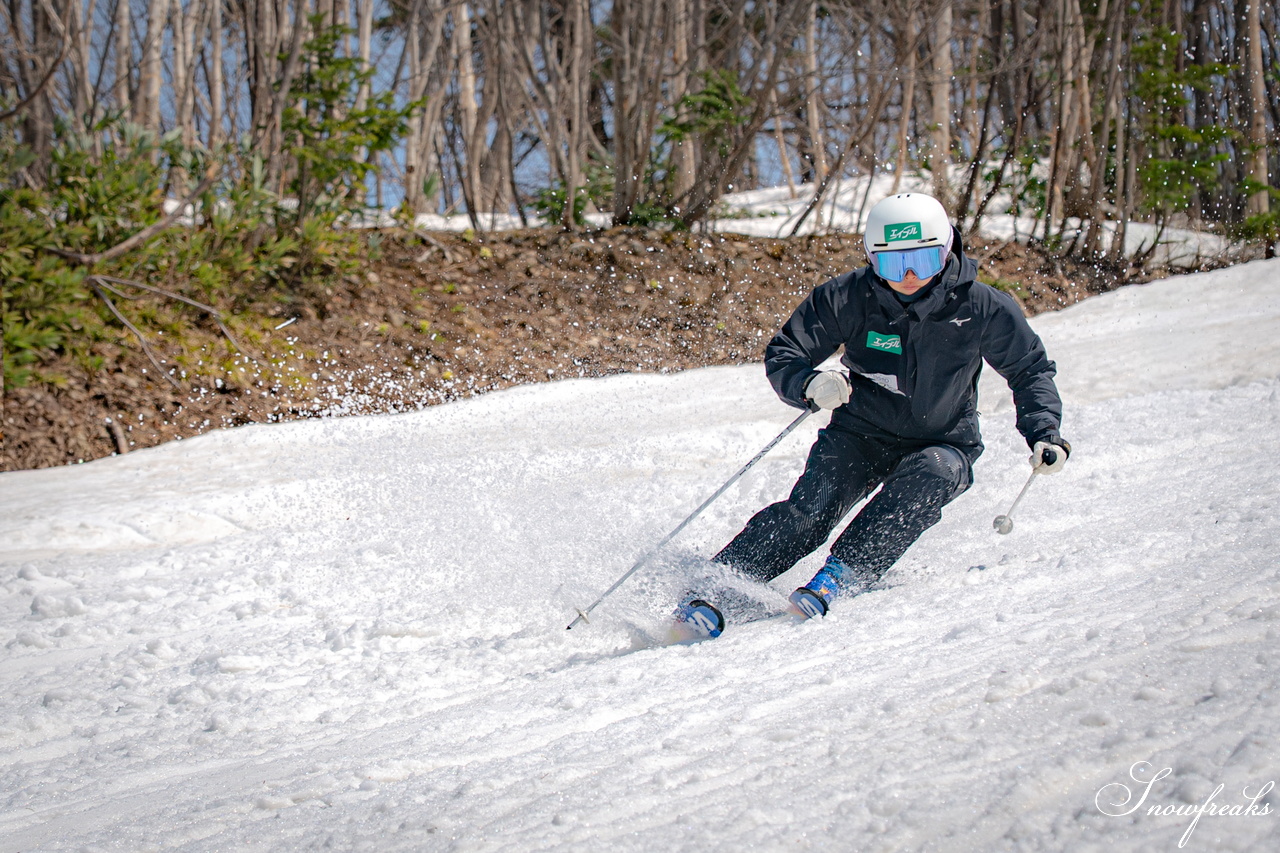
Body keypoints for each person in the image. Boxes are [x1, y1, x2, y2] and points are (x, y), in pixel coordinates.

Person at [674, 192, 1070, 638]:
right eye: (891, 264)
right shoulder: (848, 297)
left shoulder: (982, 307)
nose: (908, 276)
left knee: (933, 474)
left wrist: (1044, 430)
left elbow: (1029, 368)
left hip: (943, 440)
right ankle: (716, 587)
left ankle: (843, 573)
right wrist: (808, 384)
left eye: (923, 260)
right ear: (871, 258)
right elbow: (786, 353)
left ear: (948, 249)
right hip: (859, 433)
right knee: (811, 511)